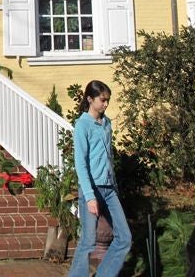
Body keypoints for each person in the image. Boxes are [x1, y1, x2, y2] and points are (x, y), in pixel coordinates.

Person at [68, 80, 131, 276]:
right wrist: (89, 196)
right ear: (90, 99)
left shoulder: (107, 123)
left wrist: (115, 187)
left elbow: (108, 158)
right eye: (103, 100)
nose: (106, 104)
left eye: (107, 100)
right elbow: (81, 163)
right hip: (92, 189)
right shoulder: (82, 125)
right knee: (88, 241)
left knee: (124, 238)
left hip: (109, 189)